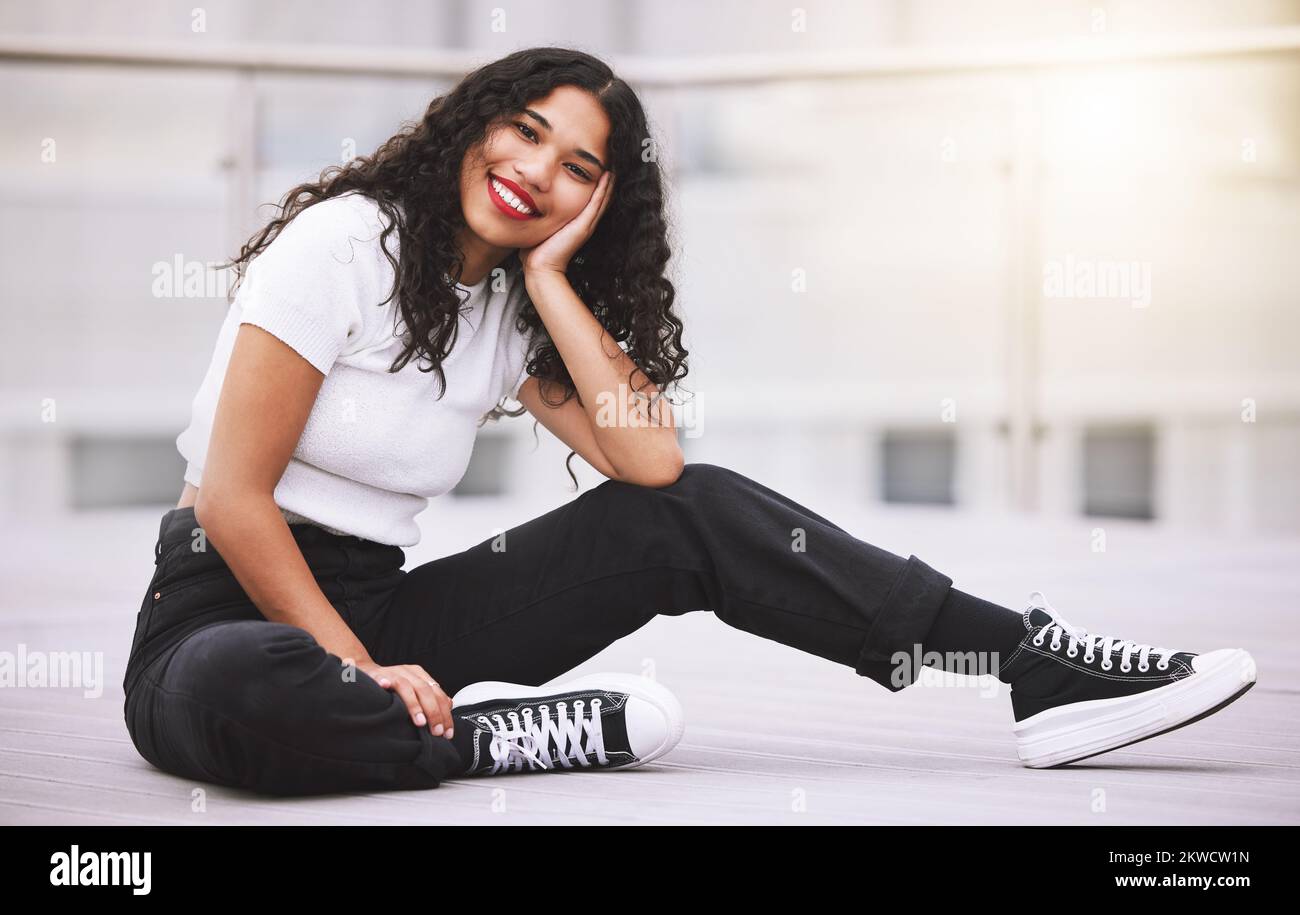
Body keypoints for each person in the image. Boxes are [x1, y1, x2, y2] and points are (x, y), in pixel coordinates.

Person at [122, 47, 1257, 798]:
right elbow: (231, 499)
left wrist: (556, 286)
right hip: (225, 610)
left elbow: (654, 464)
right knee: (242, 691)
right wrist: (355, 670)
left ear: (598, 203)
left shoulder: (515, 306)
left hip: (386, 617)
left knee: (687, 515)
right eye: (520, 132)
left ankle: (1026, 663)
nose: (532, 174)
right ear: (470, 125)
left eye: (575, 170)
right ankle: (492, 736)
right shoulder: (342, 246)